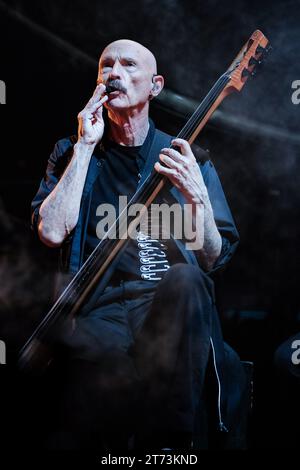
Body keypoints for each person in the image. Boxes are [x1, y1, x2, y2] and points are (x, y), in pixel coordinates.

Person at [30, 39, 246, 450]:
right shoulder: (71, 152)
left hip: (165, 309)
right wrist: (85, 146)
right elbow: (52, 232)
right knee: (95, 365)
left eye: (129, 65)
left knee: (186, 280)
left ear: (155, 86)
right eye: (105, 66)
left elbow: (214, 257)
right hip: (100, 308)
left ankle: (173, 447)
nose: (114, 72)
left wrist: (197, 197)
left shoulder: (187, 156)